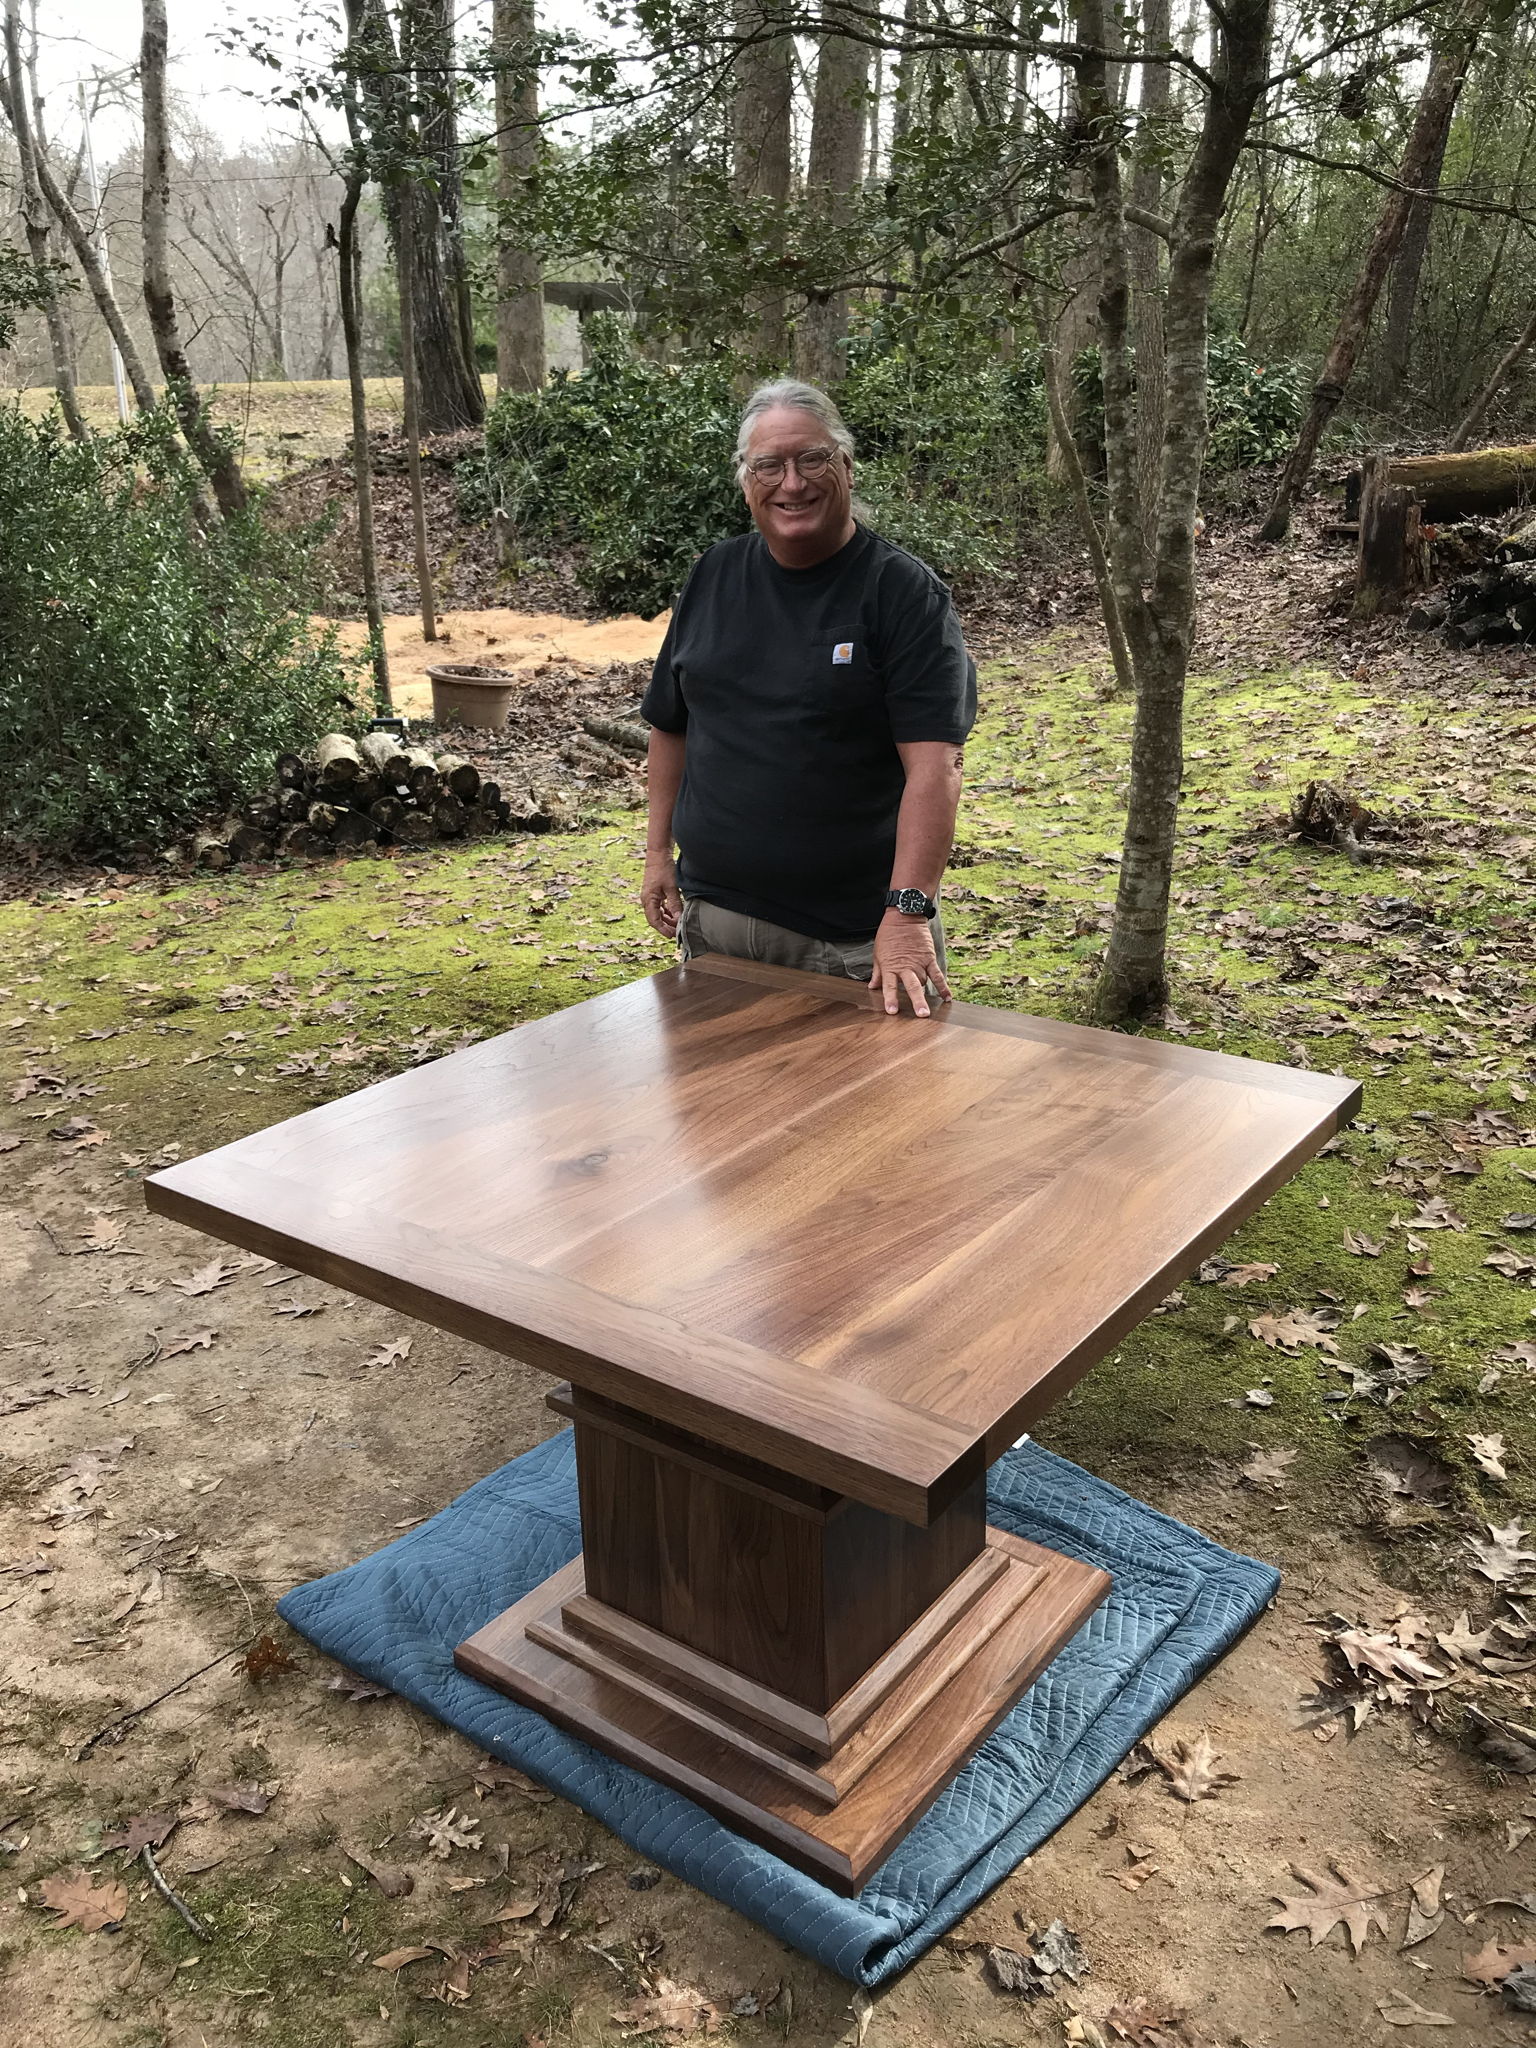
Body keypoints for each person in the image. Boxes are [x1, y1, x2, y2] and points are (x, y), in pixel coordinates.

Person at [640, 379, 976, 1018]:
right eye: (769, 465)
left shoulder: (902, 594)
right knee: (723, 1115)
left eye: (812, 459)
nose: (791, 484)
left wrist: (907, 916)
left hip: (858, 945)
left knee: (879, 1119)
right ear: (747, 480)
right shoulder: (712, 575)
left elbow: (936, 770)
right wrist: (658, 853)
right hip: (714, 927)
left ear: (846, 466)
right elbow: (670, 727)